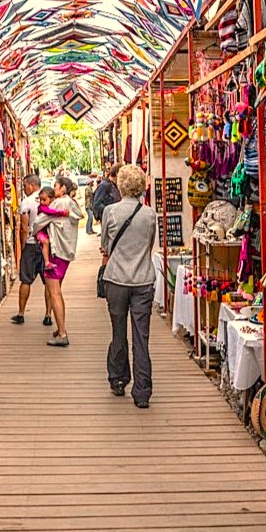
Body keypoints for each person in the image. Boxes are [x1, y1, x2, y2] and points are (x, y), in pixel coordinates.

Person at [100, 165, 156, 408]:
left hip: (117, 280)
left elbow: (105, 244)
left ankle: (119, 378)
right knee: (141, 337)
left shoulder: (110, 212)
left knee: (118, 331)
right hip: (143, 280)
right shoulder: (149, 214)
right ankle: (142, 391)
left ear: (120, 185)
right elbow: (150, 244)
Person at [41, 176, 83, 347]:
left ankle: (63, 333)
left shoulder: (58, 204)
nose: (54, 189)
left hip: (55, 252)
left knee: (54, 293)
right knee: (58, 291)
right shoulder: (72, 204)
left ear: (63, 188)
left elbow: (40, 221)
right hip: (66, 253)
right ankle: (60, 328)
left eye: (55, 186)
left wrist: (35, 231)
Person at [12, 174, 52, 326]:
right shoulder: (49, 199)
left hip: (31, 243)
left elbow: (24, 227)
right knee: (48, 281)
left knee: (26, 280)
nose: (24, 188)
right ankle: (48, 315)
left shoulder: (27, 202)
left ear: (32, 185)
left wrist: (22, 246)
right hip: (47, 244)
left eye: (25, 185)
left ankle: (21, 313)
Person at [92, 163, 122, 227]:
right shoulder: (104, 185)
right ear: (117, 173)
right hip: (109, 221)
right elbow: (97, 203)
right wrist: (111, 211)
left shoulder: (114, 185)